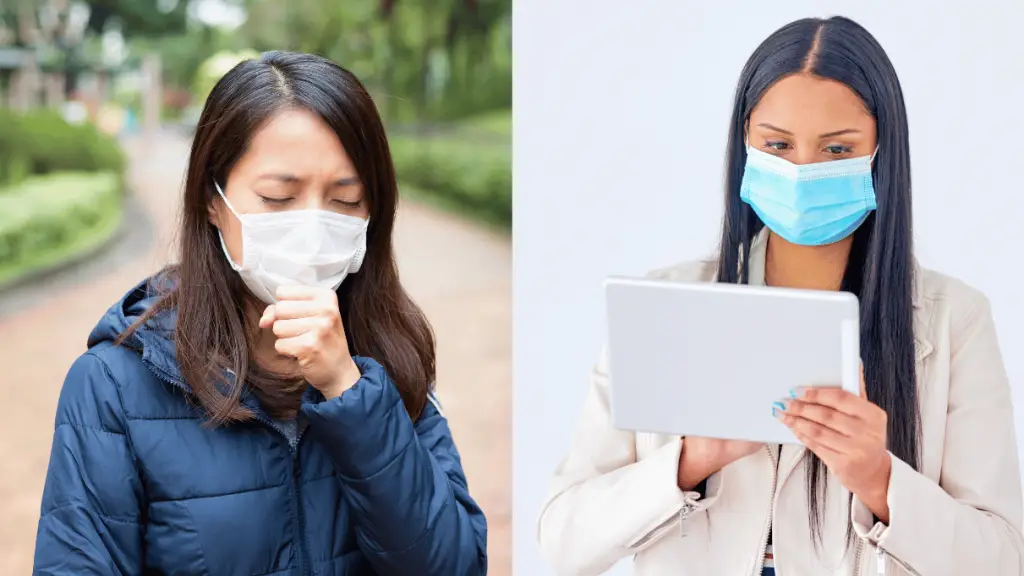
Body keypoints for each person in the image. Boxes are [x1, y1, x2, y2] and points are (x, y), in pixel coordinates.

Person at [537, 16, 1023, 576]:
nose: (802, 172)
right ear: (746, 142)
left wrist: (878, 480)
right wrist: (692, 460)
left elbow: (1002, 559)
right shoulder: (665, 304)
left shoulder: (953, 321)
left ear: (882, 151)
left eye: (837, 149)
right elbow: (563, 539)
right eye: (778, 144)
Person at [33, 51, 488, 575]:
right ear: (212, 199)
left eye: (345, 200)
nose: (313, 226)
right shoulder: (113, 387)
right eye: (278, 197)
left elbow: (454, 565)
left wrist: (351, 392)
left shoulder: (390, 360)